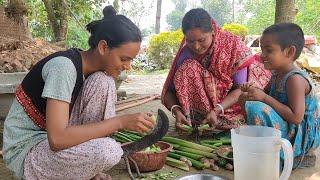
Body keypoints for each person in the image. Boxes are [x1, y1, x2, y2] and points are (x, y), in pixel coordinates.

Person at [2, 6, 155, 180]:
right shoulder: (64, 68)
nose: (127, 66)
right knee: (110, 150)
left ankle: (84, 172)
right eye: (124, 59)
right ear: (103, 47)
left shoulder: (94, 75)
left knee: (104, 82)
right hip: (28, 153)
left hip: (50, 146)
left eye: (130, 60)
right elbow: (58, 139)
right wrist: (120, 122)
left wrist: (89, 167)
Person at [161, 8, 271, 131]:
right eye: (190, 41)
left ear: (213, 31)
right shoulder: (186, 53)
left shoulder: (232, 46)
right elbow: (169, 92)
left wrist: (217, 109)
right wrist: (176, 111)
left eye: (201, 40)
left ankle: (216, 118)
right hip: (203, 109)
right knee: (188, 69)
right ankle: (199, 119)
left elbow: (240, 89)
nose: (196, 46)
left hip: (230, 104)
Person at [240, 23, 320, 164]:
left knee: (255, 108)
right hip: (285, 126)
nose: (262, 55)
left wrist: (263, 97)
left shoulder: (294, 79)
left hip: (298, 136)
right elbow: (264, 95)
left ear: (289, 52)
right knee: (246, 100)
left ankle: (290, 155)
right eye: (262, 49)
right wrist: (252, 91)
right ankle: (265, 148)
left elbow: (296, 117)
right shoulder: (277, 74)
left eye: (268, 50)